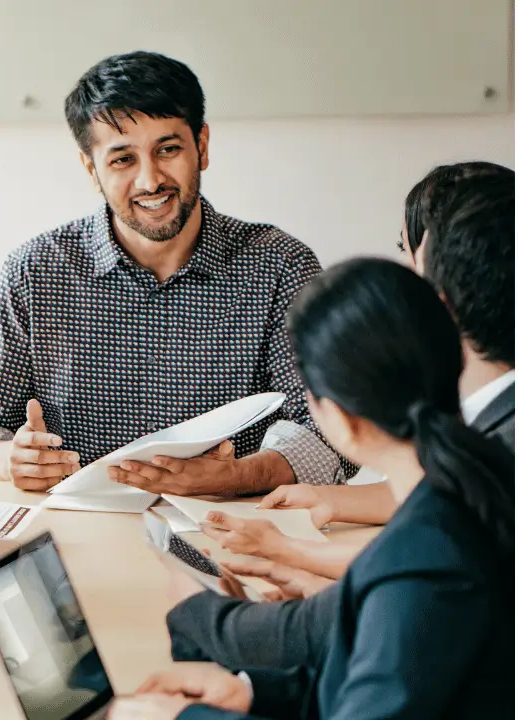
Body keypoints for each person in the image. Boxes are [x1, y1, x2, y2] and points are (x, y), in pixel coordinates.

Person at [111, 258, 515, 719]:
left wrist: (179, 719)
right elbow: (371, 670)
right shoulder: (474, 488)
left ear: (338, 418)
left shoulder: (426, 557)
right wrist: (252, 694)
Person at [0, 51, 352, 495]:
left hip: (232, 533)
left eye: (168, 149)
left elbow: (336, 432)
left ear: (203, 146)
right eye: (122, 160)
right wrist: (8, 459)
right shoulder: (35, 271)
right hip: (72, 536)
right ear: (91, 169)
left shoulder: (280, 266)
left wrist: (240, 475)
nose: (150, 180)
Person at [164, 163, 515, 671]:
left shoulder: (488, 463)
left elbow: (416, 579)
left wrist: (199, 612)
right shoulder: (475, 441)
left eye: (410, 257)